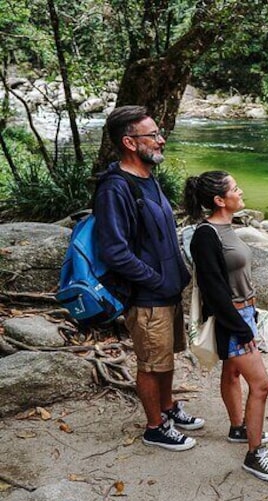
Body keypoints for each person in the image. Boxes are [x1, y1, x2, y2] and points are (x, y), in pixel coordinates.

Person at [95, 105, 199, 451]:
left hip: (167, 291)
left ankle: (167, 409)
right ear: (129, 142)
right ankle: (155, 427)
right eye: (152, 135)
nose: (161, 140)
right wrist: (155, 280)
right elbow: (115, 251)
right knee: (151, 364)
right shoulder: (115, 188)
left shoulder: (148, 177)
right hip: (146, 296)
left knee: (166, 357)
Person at [184, 171, 268, 482]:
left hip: (245, 312)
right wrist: (242, 329)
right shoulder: (205, 235)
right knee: (262, 385)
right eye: (235, 188)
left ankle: (238, 427)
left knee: (233, 372)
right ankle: (255, 455)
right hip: (233, 318)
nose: (240, 192)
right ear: (219, 200)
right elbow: (214, 291)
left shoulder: (227, 227)